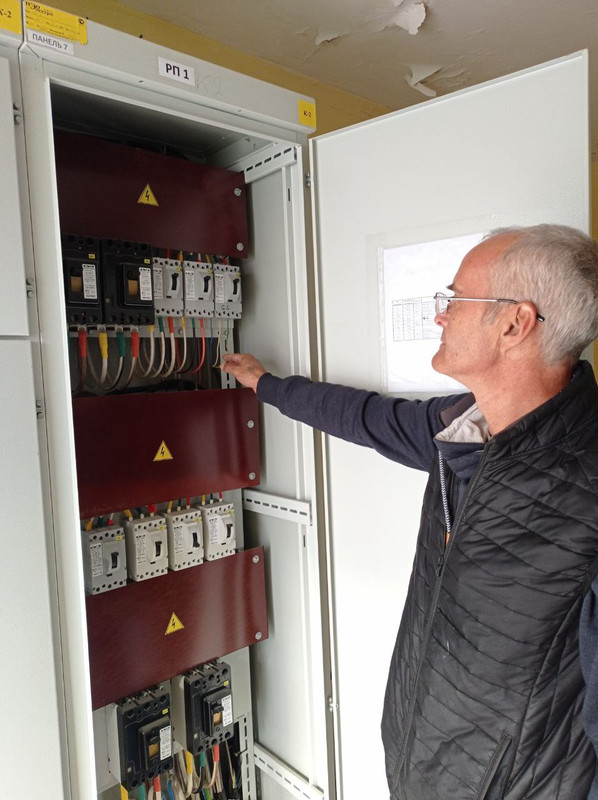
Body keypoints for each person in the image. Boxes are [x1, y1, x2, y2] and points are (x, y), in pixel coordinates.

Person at [222, 224, 598, 800]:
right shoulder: (462, 428)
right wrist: (267, 385)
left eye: (456, 299)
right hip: (417, 765)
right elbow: (366, 417)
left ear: (514, 324)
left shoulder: (587, 485)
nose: (441, 315)